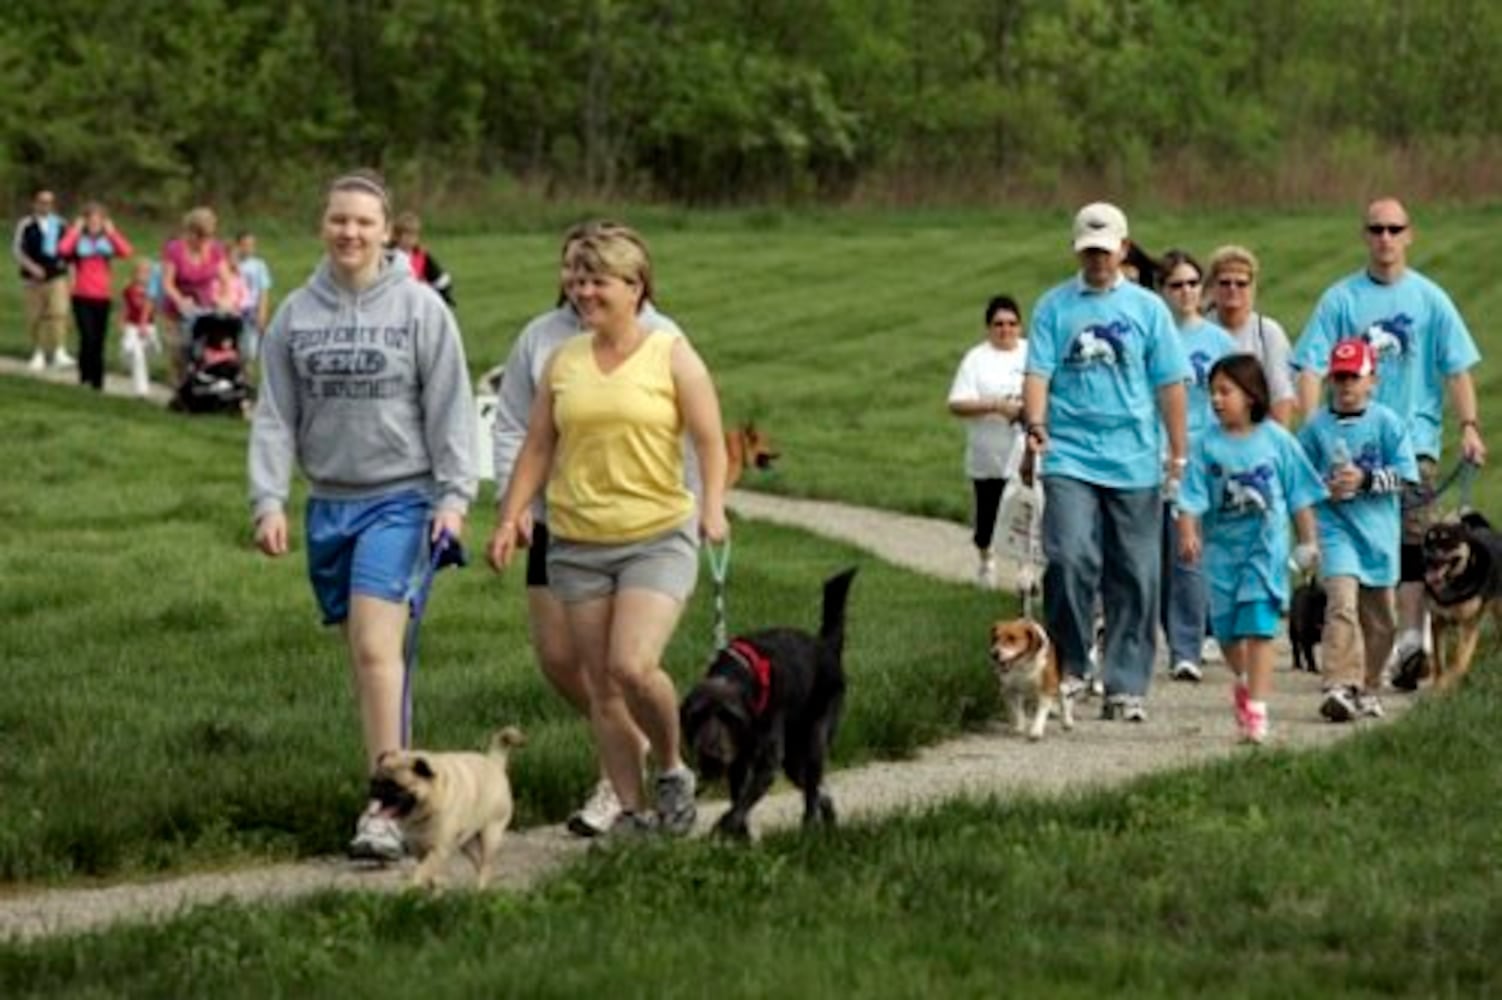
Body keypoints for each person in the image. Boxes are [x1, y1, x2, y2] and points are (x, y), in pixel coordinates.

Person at [248, 170, 477, 861]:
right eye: (339, 220)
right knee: (368, 660)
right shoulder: (295, 313)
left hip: (401, 499)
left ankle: (385, 811)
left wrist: (454, 499)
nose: (350, 232)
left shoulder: (420, 309)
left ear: (386, 231)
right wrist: (268, 500)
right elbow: (274, 417)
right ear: (324, 225)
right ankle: (422, 794)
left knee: (379, 652)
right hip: (329, 505)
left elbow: (452, 407)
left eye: (364, 222)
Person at [487, 224, 728, 838]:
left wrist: (712, 506)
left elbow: (708, 439)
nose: (584, 291)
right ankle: (633, 809)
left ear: (634, 285)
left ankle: (672, 767)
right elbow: (536, 446)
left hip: (655, 533)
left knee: (633, 666)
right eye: (578, 279)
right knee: (601, 687)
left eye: (598, 281)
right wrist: (511, 513)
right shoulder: (560, 357)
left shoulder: (671, 350)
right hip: (575, 541)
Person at [1291, 198, 1486, 685]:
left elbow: (1455, 367)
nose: (1385, 238)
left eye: (1394, 229)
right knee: (1358, 549)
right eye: (1376, 229)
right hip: (1349, 445)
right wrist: (1317, 424)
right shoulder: (1341, 299)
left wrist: (1468, 425)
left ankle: (1410, 643)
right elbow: (1312, 365)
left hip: (1411, 444)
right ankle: (1358, 649)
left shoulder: (1430, 299)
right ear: (1365, 235)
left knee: (1413, 543)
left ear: (1409, 235)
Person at [1021, 202, 1190, 723]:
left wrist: (1177, 452)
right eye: (1088, 250)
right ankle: (1072, 663)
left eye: (1105, 249)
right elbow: (1038, 374)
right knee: (1070, 557)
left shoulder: (1148, 309)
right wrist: (1035, 426)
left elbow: (1170, 383)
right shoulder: (1054, 307)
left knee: (1136, 574)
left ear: (1122, 247)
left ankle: (1125, 682)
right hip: (1069, 452)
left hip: (1135, 456)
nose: (1097, 259)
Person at [1177, 355, 1326, 744]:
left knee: (1259, 627)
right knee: (1227, 634)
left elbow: (1299, 496)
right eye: (1212, 392)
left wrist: (1309, 541)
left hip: (1265, 550)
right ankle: (1244, 680)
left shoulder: (1277, 440)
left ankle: (1257, 710)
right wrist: (1188, 532)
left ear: (1251, 395)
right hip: (1222, 553)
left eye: (1226, 391)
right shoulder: (1206, 444)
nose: (1216, 399)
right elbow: (1190, 496)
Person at [1297, 339, 1418, 723]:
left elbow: (1406, 476)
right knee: (1341, 604)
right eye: (1340, 378)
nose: (1347, 386)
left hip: (1379, 535)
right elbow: (1299, 477)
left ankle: (1368, 684)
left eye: (1355, 378)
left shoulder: (1387, 423)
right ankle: (1339, 683)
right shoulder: (1316, 427)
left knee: (1382, 621)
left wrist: (1365, 479)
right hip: (1336, 530)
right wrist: (1323, 487)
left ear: (1372, 381)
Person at [1157, 250, 1237, 682]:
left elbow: (1237, 400)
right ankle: (1168, 632)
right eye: (1176, 285)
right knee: (1155, 558)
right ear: (1161, 291)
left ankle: (1185, 648)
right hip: (1151, 456)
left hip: (1203, 459)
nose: (1186, 292)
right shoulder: (1153, 334)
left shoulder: (1219, 342)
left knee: (1190, 554)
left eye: (1192, 283)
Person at [947, 294, 1027, 588]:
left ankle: (1024, 569)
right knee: (987, 517)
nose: (1005, 330)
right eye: (999, 324)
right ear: (989, 328)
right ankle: (986, 561)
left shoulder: (1031, 354)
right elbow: (956, 403)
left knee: (1025, 510)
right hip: (988, 455)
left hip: (1024, 453)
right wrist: (994, 406)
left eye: (1011, 324)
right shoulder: (976, 359)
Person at [1204, 245, 1297, 425]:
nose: (1232, 289)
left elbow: (1281, 397)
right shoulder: (1199, 329)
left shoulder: (1268, 333)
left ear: (1252, 287)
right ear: (1212, 287)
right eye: (1225, 283)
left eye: (1241, 283)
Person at [59, 202, 134, 391]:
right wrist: (75, 231)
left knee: (99, 340)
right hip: (81, 294)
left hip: (102, 296)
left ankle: (97, 381)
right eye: (90, 220)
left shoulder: (106, 241)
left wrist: (111, 232)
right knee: (87, 337)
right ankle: (85, 375)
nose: (94, 224)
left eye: (98, 220)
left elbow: (126, 251)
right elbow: (62, 250)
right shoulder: (79, 240)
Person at [160, 206, 233, 386]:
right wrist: (180, 300)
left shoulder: (215, 250)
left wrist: (225, 298)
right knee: (180, 349)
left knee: (204, 349)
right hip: (178, 307)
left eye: (207, 236)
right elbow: (167, 283)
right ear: (190, 232)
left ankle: (202, 384)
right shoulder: (175, 250)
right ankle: (179, 385)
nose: (202, 241)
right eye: (198, 235)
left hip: (204, 305)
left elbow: (226, 279)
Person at [13, 188, 74, 371]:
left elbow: (69, 249)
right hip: (33, 278)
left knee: (59, 312)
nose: (45, 206)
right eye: (42, 202)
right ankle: (38, 352)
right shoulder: (26, 224)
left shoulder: (60, 224)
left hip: (56, 276)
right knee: (35, 315)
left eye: (49, 202)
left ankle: (59, 350)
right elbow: (17, 250)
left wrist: (71, 272)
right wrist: (32, 267)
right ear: (35, 203)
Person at [390, 212, 454, 307]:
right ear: (396, 236)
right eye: (406, 235)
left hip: (418, 301)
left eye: (413, 235)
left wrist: (444, 295)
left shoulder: (422, 257)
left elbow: (438, 278)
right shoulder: (388, 255)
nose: (410, 240)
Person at [234, 231, 274, 374]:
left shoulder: (258, 265)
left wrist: (262, 311)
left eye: (251, 245)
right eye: (245, 245)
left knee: (250, 349)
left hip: (251, 310)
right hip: (235, 310)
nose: (248, 248)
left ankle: (247, 375)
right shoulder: (232, 264)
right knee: (237, 346)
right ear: (238, 245)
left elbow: (263, 290)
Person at [120, 258, 159, 397]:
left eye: (146, 273)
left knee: (152, 351)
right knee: (135, 353)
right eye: (140, 272)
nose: (142, 276)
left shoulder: (152, 292)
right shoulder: (128, 290)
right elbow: (125, 307)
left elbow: (154, 309)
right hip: (132, 325)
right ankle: (141, 389)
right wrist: (122, 322)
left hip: (149, 326)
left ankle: (138, 368)